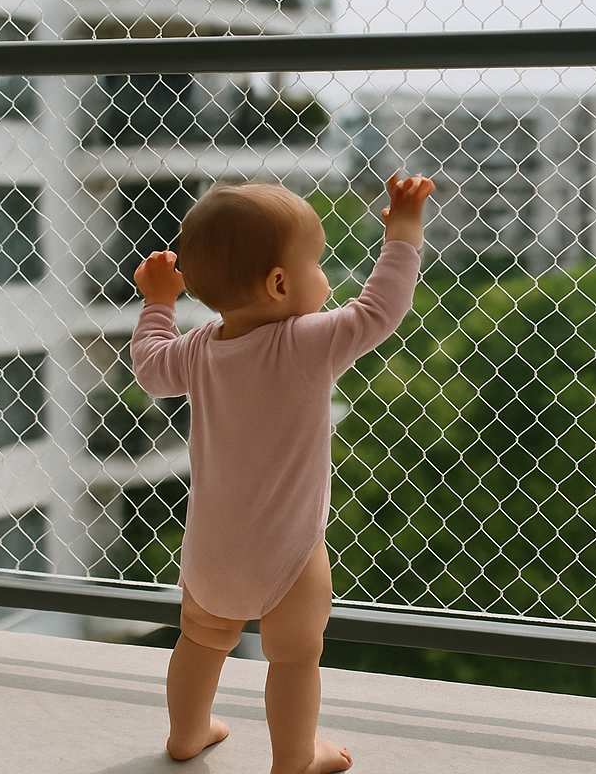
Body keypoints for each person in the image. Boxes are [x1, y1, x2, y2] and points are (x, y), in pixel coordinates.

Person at [131, 173, 434, 772]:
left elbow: (149, 368)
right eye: (318, 263)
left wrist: (158, 304)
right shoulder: (308, 341)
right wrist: (402, 228)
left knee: (199, 641)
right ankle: (296, 757)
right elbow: (381, 308)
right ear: (279, 282)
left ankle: (187, 735)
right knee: (295, 658)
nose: (326, 278)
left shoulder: (198, 348)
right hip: (290, 551)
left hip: (211, 547)